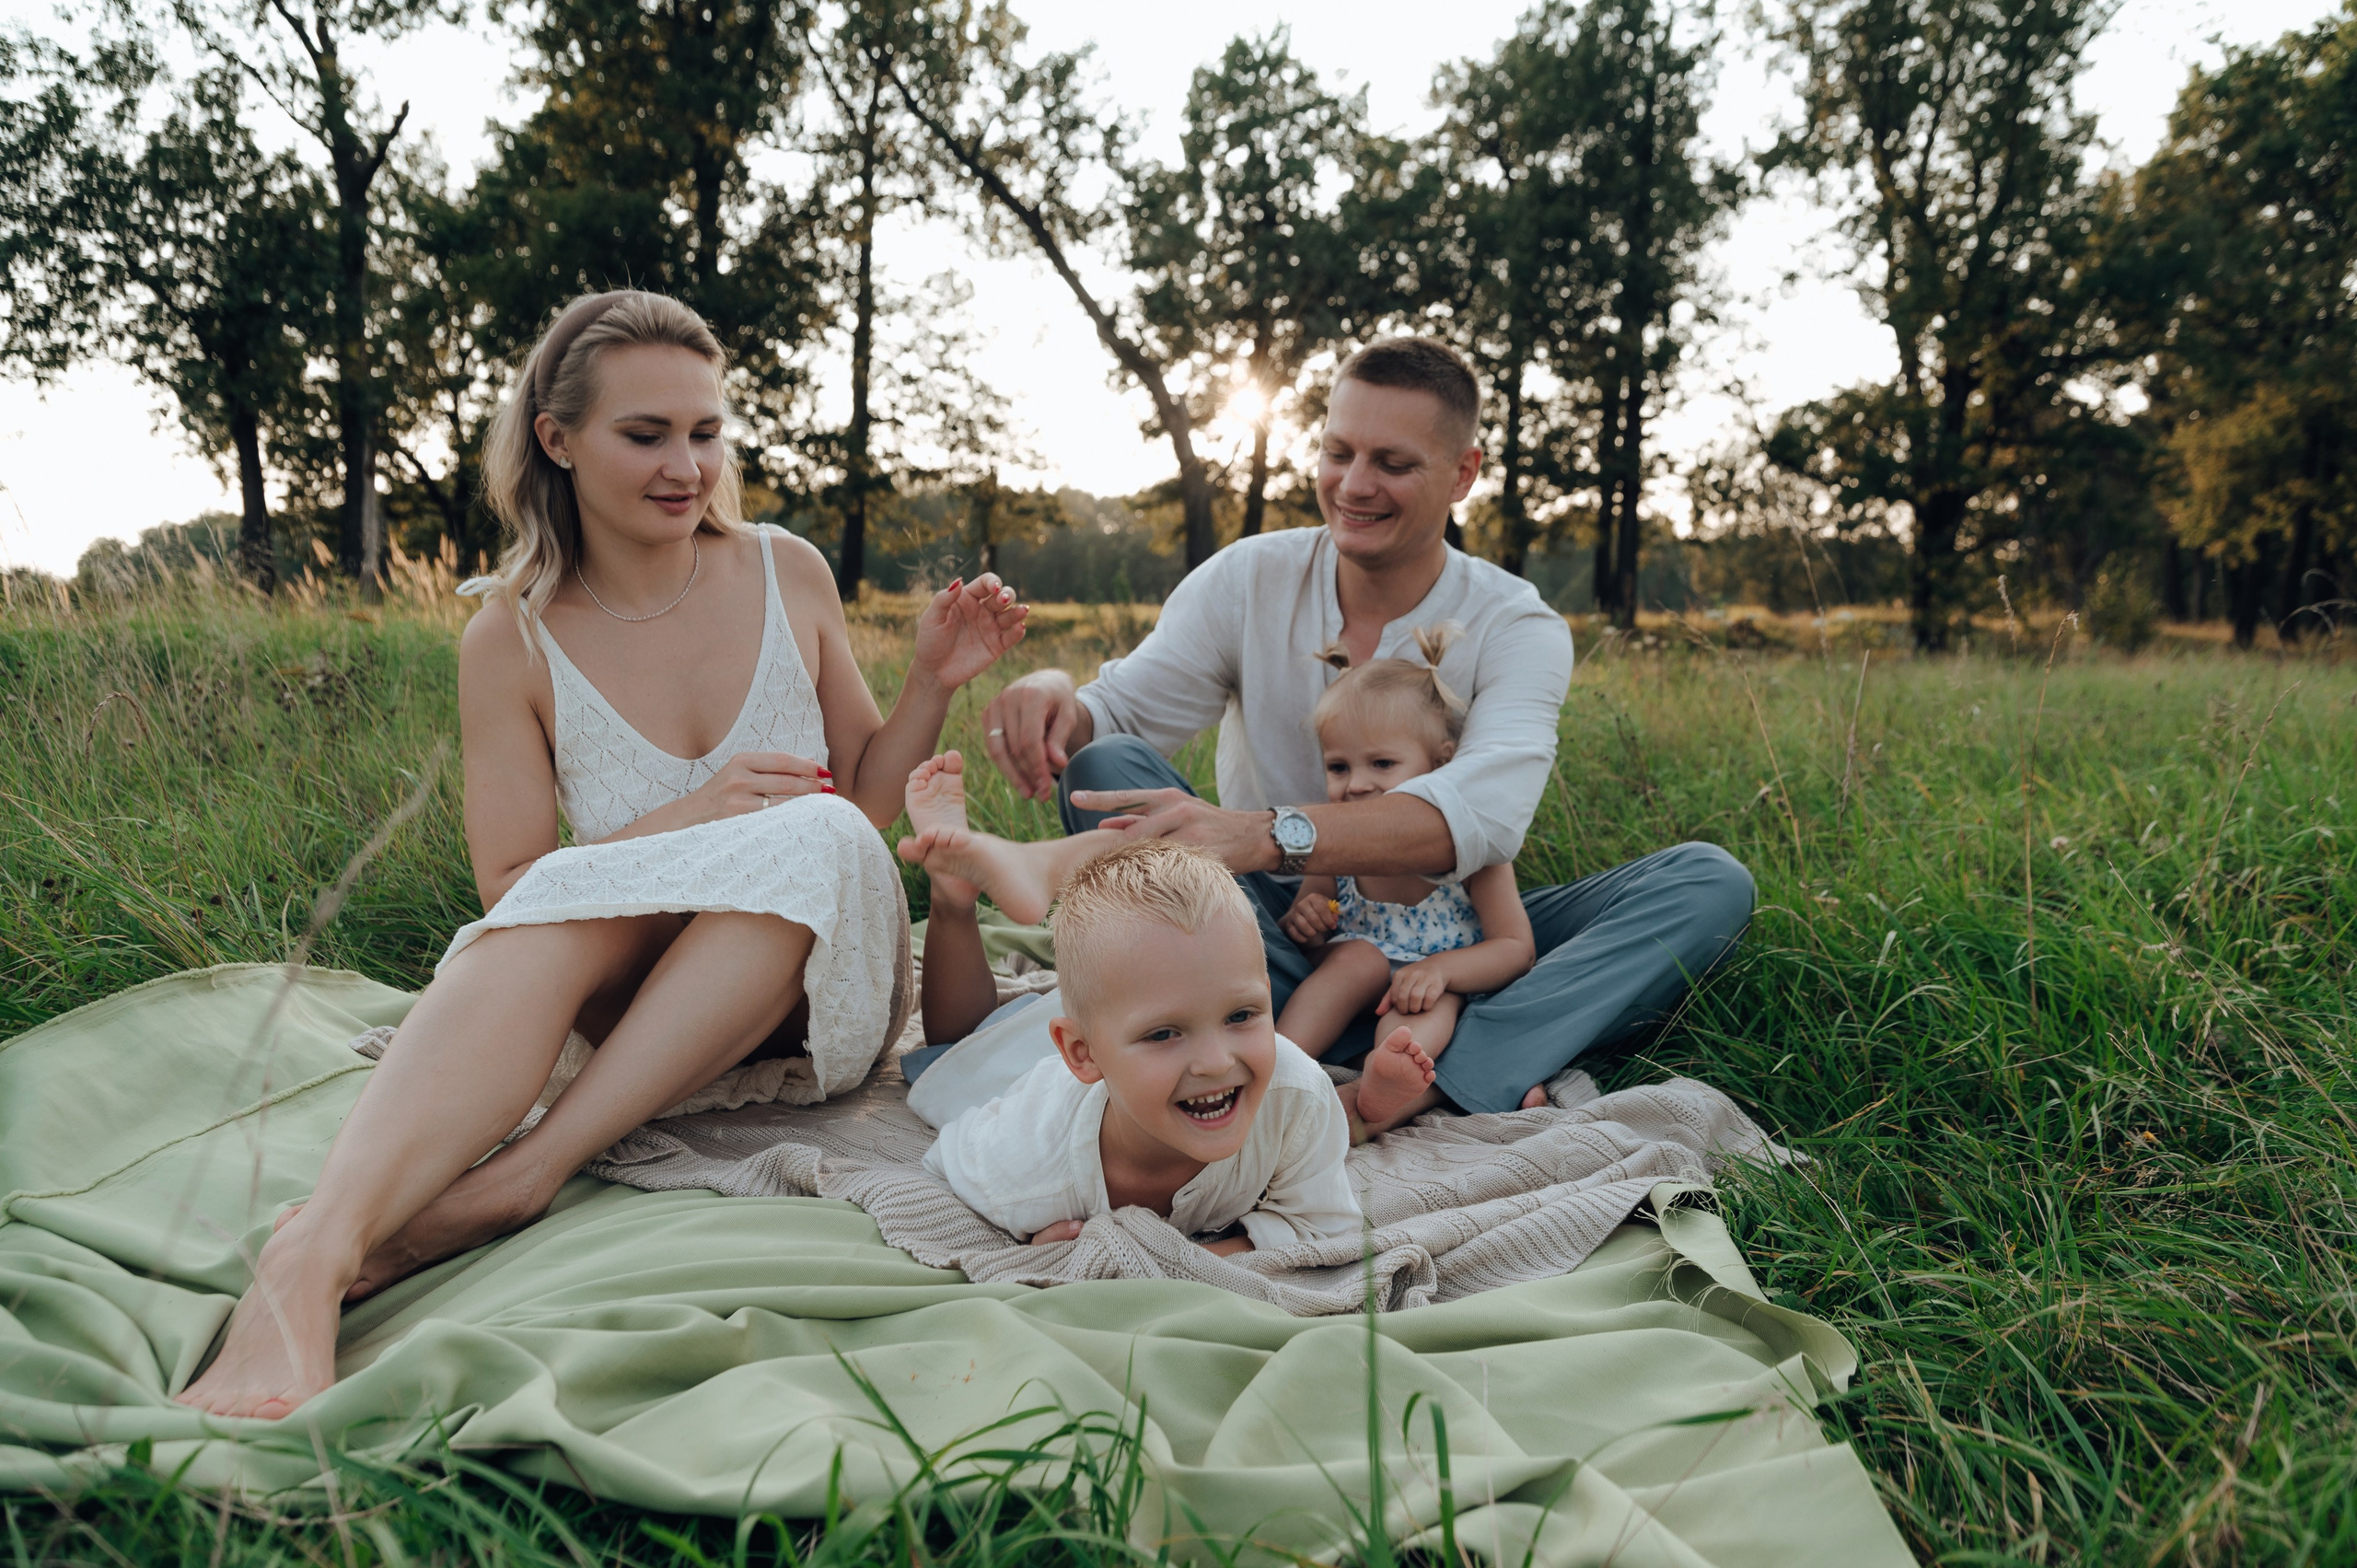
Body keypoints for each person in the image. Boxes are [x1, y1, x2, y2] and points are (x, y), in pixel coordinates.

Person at [175, 290, 1028, 1420]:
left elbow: (864, 805)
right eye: (646, 434)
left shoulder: (788, 572)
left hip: (812, 995)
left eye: (706, 432)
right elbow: (514, 890)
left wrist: (931, 682)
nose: (687, 465)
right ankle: (312, 1254)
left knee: (812, 827)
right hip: (632, 1004)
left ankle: (524, 1176)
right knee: (554, 906)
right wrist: (698, 815)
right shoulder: (510, 635)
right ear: (557, 438)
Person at [980, 337, 1755, 1125]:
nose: (1354, 485)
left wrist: (1267, 832)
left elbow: (1480, 814)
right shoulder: (1250, 576)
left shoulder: (1518, 622)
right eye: (1338, 452)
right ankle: (1355, 1037)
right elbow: (1116, 716)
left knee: (1707, 882)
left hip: (1450, 928)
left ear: (1463, 473)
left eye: (1392, 463)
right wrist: (1055, 699)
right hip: (1263, 925)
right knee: (1109, 766)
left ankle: (1435, 1069)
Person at [921, 838, 1360, 1254]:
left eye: (1240, 1016)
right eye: (1164, 1034)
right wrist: (1034, 1250)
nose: (1215, 1062)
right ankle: (954, 900)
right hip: (1008, 1058)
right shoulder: (1023, 1169)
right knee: (952, 1048)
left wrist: (1196, 1259)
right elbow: (943, 1165)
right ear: (1082, 1053)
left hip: (1115, 1018)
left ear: (1266, 995)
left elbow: (1327, 1226)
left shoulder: (1296, 1097)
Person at [1274, 625, 1536, 1132]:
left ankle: (1384, 1075)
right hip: (1349, 977)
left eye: (1382, 763)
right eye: (1339, 767)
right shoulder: (1337, 842)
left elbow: (1515, 948)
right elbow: (1314, 917)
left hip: (1430, 982)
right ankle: (1280, 1060)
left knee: (1420, 1012)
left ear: (1442, 762)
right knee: (1358, 959)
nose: (1357, 785)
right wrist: (1304, 920)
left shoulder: (1475, 848)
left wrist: (1442, 970)